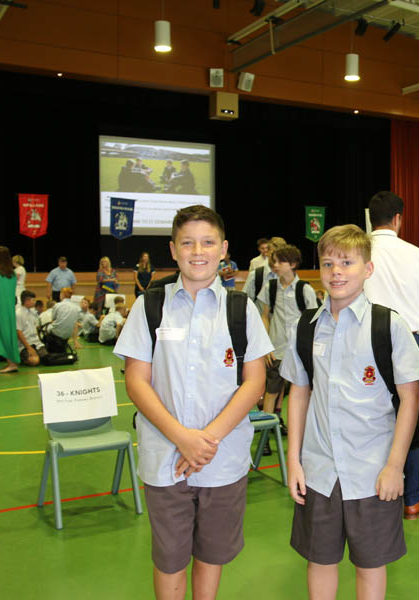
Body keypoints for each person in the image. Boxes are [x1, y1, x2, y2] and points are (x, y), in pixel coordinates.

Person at [114, 205, 271, 600]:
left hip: (223, 459)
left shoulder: (241, 309)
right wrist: (182, 438)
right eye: (187, 243)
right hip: (165, 460)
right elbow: (136, 381)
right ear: (173, 249)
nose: (197, 251)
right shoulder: (150, 305)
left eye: (207, 242)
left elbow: (254, 382)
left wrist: (207, 440)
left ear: (224, 249)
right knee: (169, 558)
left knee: (212, 554)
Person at [280, 224, 419, 600]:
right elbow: (299, 393)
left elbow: (410, 398)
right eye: (328, 264)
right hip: (319, 471)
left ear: (368, 269)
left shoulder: (389, 326)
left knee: (370, 564)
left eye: (347, 262)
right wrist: (294, 461)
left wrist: (395, 466)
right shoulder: (306, 327)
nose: (337, 272)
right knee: (319, 560)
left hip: (372, 472)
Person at [363, 190, 419, 520]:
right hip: (409, 340)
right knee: (409, 416)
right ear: (398, 219)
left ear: (371, 219)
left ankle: (371, 493)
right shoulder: (417, 255)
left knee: (368, 416)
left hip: (365, 340)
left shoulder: (359, 252)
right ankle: (410, 498)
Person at [259, 244, 318, 437]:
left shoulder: (305, 290)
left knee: (302, 390)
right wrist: (265, 345)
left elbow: (314, 321)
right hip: (276, 348)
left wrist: (310, 349)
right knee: (271, 390)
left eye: (280, 262)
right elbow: (265, 316)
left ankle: (304, 433)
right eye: (274, 262)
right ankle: (266, 436)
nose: (275, 265)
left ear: (292, 264)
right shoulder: (270, 287)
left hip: (299, 350)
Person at [16, 290, 48, 366]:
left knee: (47, 358)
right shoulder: (18, 314)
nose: (34, 302)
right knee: (34, 361)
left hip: (36, 343)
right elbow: (18, 332)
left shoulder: (32, 312)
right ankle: (22, 357)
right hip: (24, 345)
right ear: (27, 301)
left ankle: (35, 355)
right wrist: (29, 348)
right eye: (33, 300)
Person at [46, 287, 82, 352]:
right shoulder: (76, 307)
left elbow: (53, 320)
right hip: (68, 335)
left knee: (47, 329)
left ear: (62, 295)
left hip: (57, 334)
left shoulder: (57, 305)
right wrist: (75, 341)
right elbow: (75, 325)